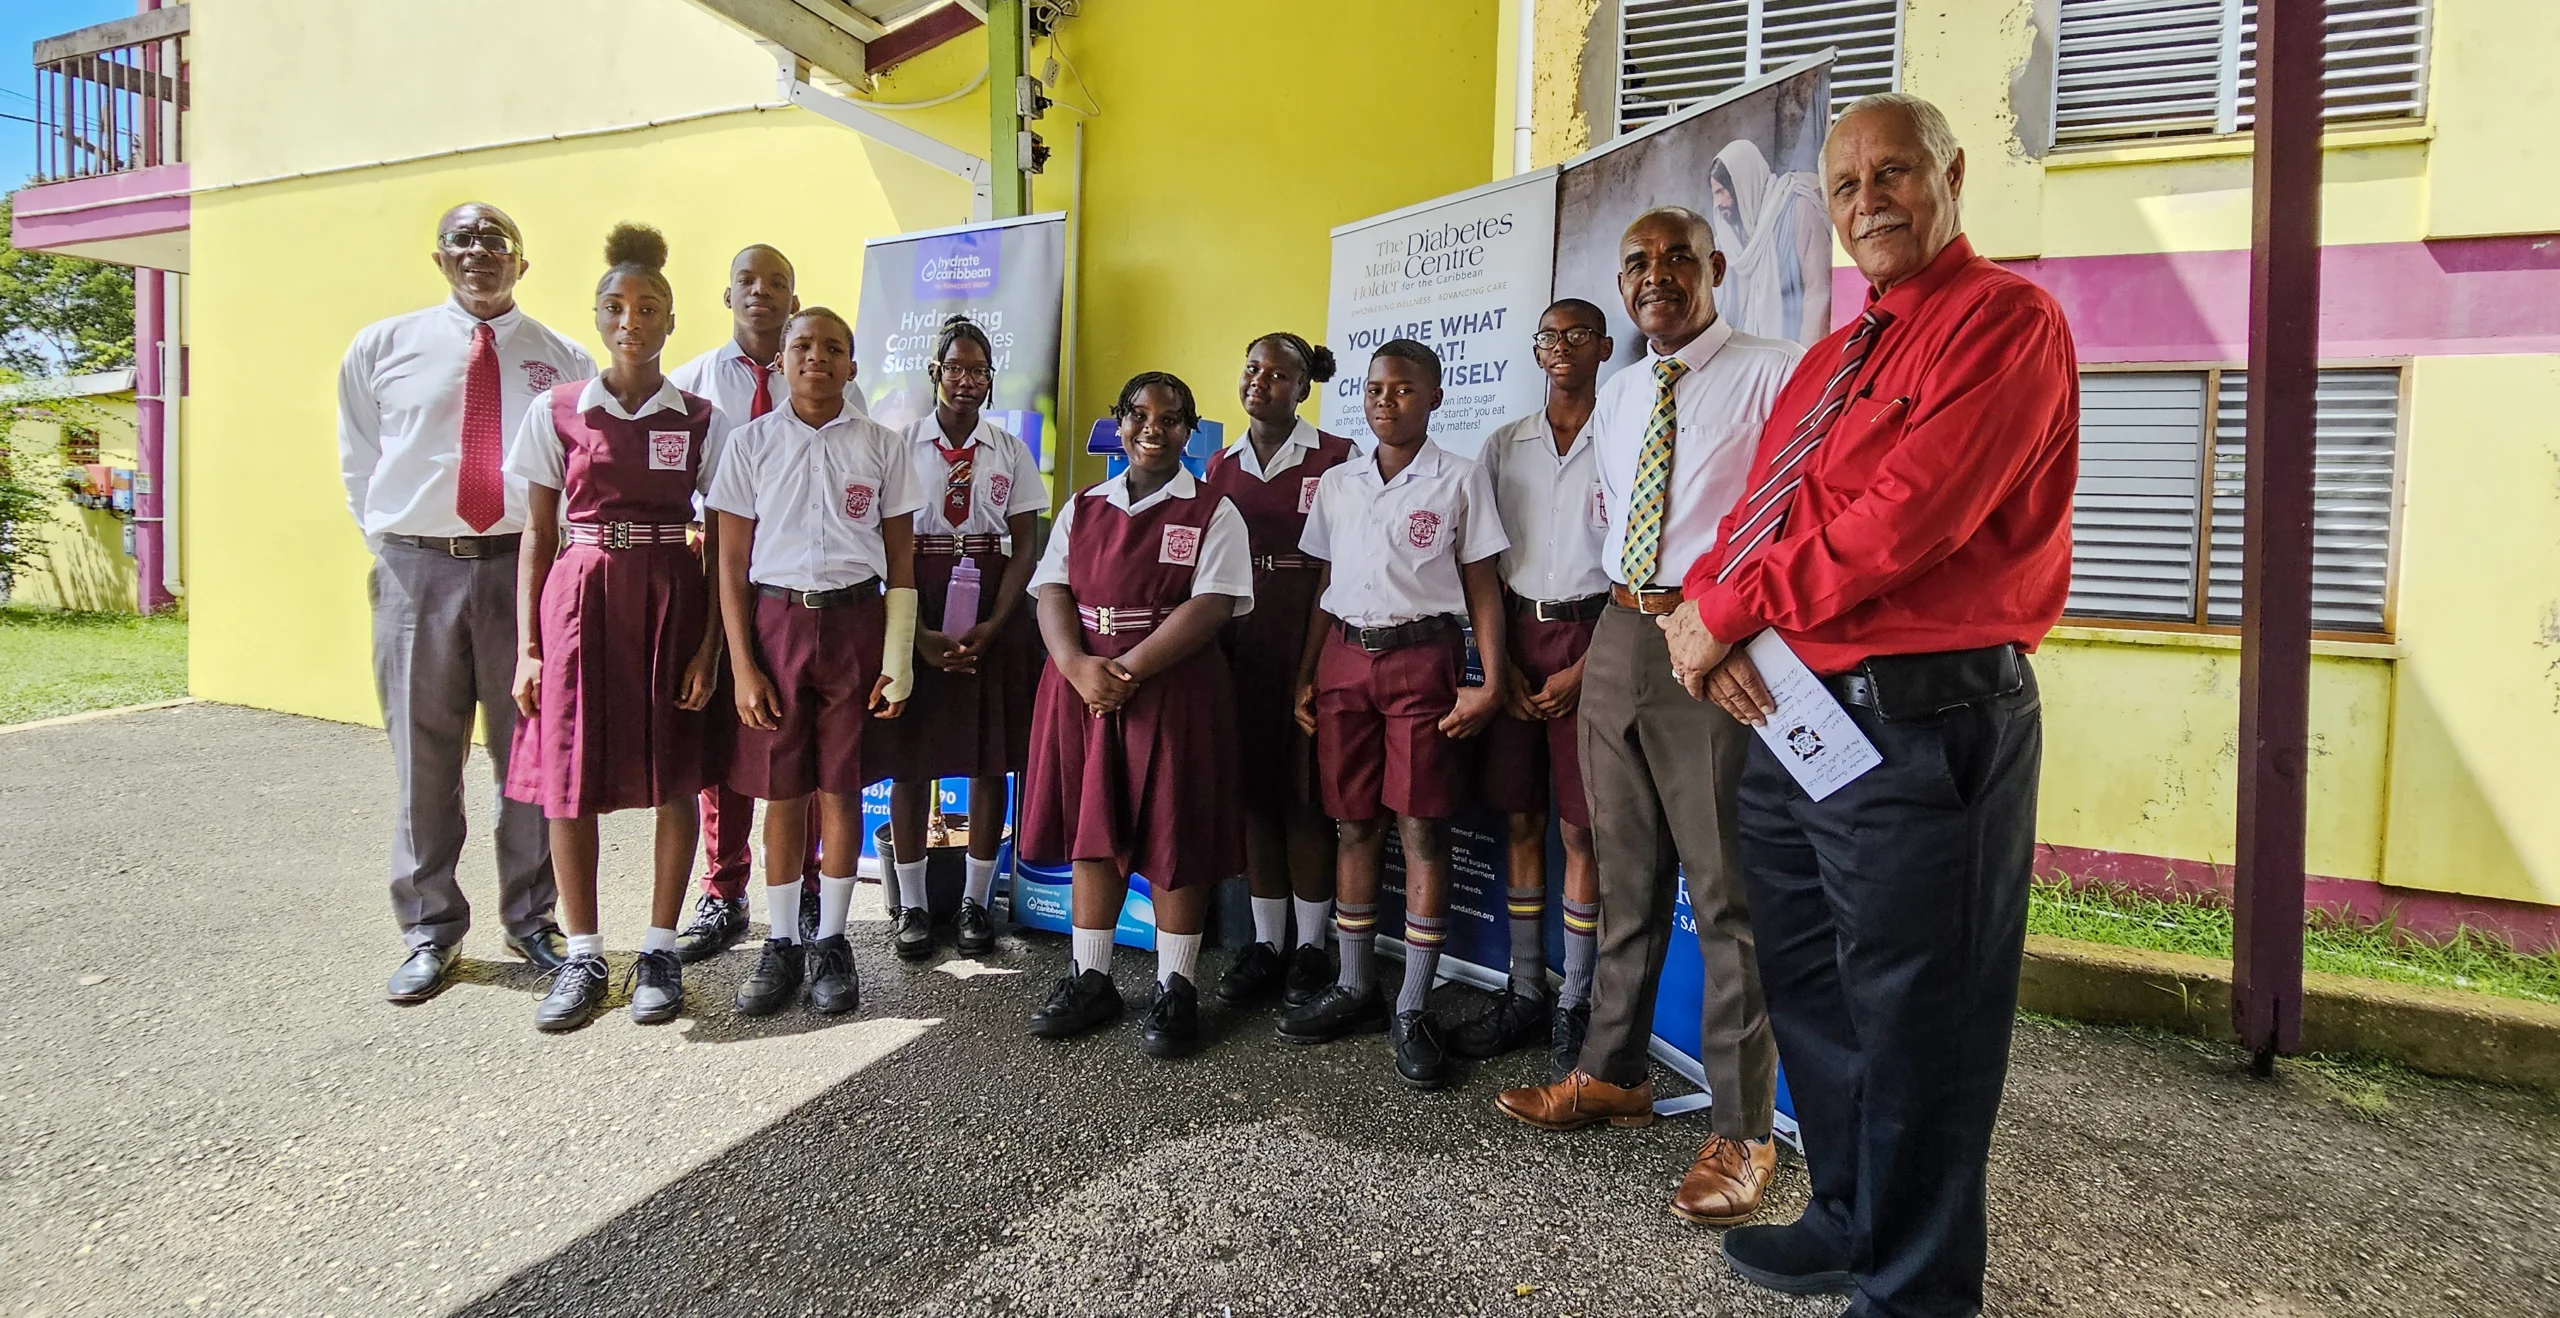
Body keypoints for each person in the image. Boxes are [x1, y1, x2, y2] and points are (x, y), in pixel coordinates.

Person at [1667, 93, 2078, 1316]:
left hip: (1925, 721)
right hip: (1795, 715)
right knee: (1817, 988)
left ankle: (1916, 1287)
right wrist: (1711, 608)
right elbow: (1756, 512)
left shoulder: (2006, 324)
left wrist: (1731, 607)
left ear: (1950, 176)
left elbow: (1907, 518)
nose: (1866, 203)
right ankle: (1848, 1214)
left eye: (1891, 175)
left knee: (1920, 1016)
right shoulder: (1835, 355)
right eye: (1844, 187)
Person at [1491, 206, 1800, 1230]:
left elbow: (1796, 519)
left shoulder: (1771, 372)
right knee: (1624, 876)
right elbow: (1622, 521)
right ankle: (1611, 1071)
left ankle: (1744, 1129)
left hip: (1714, 640)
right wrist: (1606, 644)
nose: (1656, 275)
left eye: (1677, 258)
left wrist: (1726, 629)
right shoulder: (1625, 392)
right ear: (1621, 286)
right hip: (1620, 635)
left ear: (1715, 267)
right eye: (1637, 264)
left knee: (1724, 897)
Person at [339, 202, 593, 1003]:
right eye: (464, 240)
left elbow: (576, 477)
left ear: (524, 262)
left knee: (528, 754)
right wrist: (400, 548)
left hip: (525, 569)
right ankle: (430, 929)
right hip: (418, 573)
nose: (480, 251)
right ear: (441, 257)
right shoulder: (383, 348)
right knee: (425, 756)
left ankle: (532, 917)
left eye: (497, 241)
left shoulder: (563, 359)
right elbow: (360, 463)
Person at [502, 223, 729, 1031]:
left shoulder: (702, 418)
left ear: (671, 321)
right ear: (597, 317)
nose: (631, 319)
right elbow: (537, 532)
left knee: (673, 771)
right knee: (570, 781)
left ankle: (661, 949)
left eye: (649, 306)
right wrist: (529, 647)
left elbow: (727, 537)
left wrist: (710, 645)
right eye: (616, 305)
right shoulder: (558, 410)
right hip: (582, 599)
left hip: (672, 596)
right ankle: (586, 954)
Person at [1280, 340, 1511, 1091]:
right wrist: (1309, 675)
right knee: (1352, 824)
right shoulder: (1339, 484)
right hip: (1347, 658)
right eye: (1376, 389)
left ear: (1434, 398)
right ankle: (1355, 986)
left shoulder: (1460, 478)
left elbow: (1482, 586)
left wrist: (1490, 679)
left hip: (1424, 660)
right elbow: (1323, 583)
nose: (1387, 400)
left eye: (1404, 390)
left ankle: (1412, 1003)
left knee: (1420, 826)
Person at [1018, 372, 1254, 1060]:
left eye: (1172, 418)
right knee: (1095, 829)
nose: (1154, 427)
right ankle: (1091, 977)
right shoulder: (1083, 505)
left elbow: (1210, 605)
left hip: (1173, 687)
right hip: (1083, 685)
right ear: (1118, 424)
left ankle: (1175, 986)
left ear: (1191, 432)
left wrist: (1127, 672)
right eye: (1139, 415)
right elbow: (1052, 591)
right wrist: (1075, 666)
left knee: (1175, 831)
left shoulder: (1215, 510)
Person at [708, 307, 924, 1019]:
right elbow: (731, 564)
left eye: (834, 348)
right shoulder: (749, 445)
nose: (817, 358)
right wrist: (743, 667)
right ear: (781, 361)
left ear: (852, 367)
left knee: (840, 785)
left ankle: (831, 939)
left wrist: (898, 659)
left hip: (856, 624)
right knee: (783, 789)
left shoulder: (882, 448)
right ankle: (781, 942)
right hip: (775, 624)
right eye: (803, 346)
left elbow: (902, 565)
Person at [666, 244, 865, 962]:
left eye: (777, 282)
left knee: (803, 749)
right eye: (747, 281)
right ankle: (724, 891)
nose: (762, 292)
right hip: (723, 577)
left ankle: (808, 887)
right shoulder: (690, 385)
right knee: (732, 738)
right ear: (727, 296)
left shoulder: (836, 385)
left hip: (812, 594)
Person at [1452, 298, 1614, 1072]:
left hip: (1598, 635)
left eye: (1576, 335)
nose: (1560, 348)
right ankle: (1524, 990)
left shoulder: (1624, 437)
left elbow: (1638, 568)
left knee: (1583, 830)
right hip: (1514, 635)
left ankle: (1576, 1000)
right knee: (1521, 819)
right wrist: (1501, 665)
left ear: (1605, 347)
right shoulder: (1501, 445)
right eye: (1548, 336)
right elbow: (1479, 562)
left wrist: (1589, 666)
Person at [868, 316, 1049, 962]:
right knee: (911, 755)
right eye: (955, 369)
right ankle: (913, 905)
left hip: (990, 597)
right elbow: (883, 544)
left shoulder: (1009, 452)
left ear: (990, 381)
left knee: (987, 757)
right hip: (918, 589)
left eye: (978, 371)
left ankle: (976, 900)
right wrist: (916, 636)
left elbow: (1027, 543)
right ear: (934, 375)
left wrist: (997, 624)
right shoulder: (898, 446)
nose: (965, 380)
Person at [1200, 332, 1357, 1010]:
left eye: (1278, 373)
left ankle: (1313, 948)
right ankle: (1266, 944)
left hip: (1311, 631)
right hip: (1241, 639)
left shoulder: (1339, 458)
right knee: (1255, 796)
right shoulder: (1218, 464)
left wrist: (1316, 663)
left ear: (1303, 388)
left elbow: (1340, 564)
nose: (1260, 381)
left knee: (1306, 800)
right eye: (1252, 367)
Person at [1707, 139, 1833, 346]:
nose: (1718, 203)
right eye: (1715, 194)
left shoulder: (1796, 209)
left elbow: (1819, 289)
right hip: (1747, 361)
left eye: (1722, 192)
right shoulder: (1728, 235)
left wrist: (1807, 360)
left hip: (1797, 351)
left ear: (1742, 184)